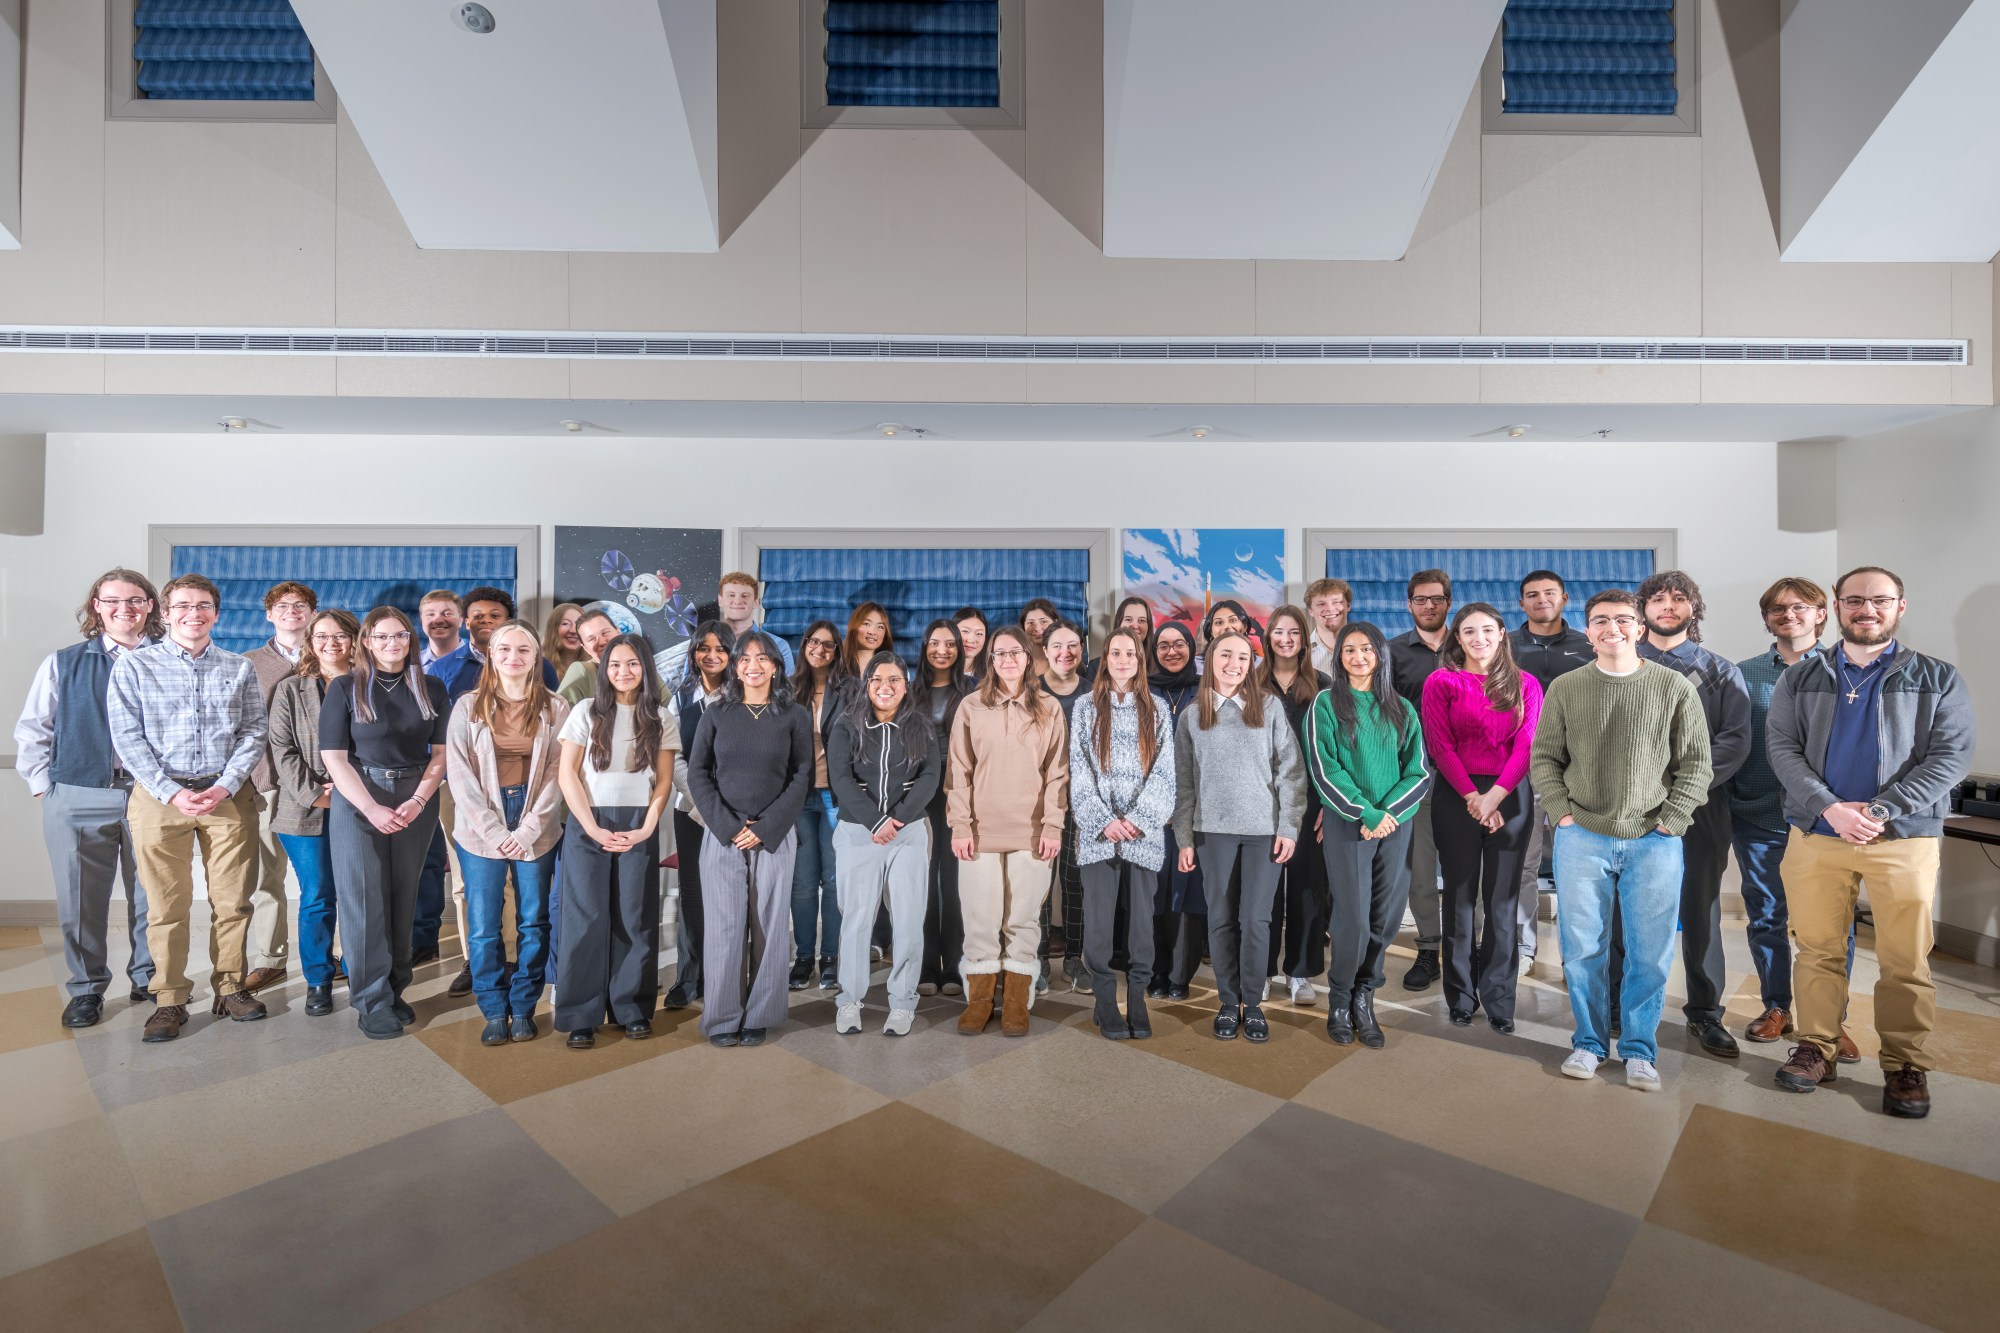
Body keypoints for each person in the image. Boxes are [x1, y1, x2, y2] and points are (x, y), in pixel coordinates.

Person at [1770, 567, 1974, 1119]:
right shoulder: (1802, 676)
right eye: (1855, 600)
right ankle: (1817, 1047)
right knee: (1817, 950)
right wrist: (1830, 807)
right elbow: (1783, 749)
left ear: (1900, 607)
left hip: (1902, 836)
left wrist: (1883, 809)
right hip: (1818, 833)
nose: (1867, 609)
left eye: (1879, 600)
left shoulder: (1937, 677)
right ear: (1836, 607)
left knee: (1906, 958)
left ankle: (1905, 1064)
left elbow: (1951, 756)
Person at [1531, 589, 1711, 1093]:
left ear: (1639, 629)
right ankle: (1588, 1043)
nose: (1613, 628)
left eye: (1623, 620)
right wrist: (1562, 813)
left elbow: (1697, 763)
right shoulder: (1567, 688)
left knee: (1648, 952)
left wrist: (1674, 819)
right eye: (1601, 621)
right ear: (1587, 633)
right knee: (1582, 948)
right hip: (1582, 836)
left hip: (1654, 838)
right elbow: (1544, 758)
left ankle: (1638, 1051)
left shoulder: (1674, 686)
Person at [106, 574, 269, 1042]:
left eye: (203, 606)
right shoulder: (135, 667)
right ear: (165, 611)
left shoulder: (238, 667)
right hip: (159, 799)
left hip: (227, 797)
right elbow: (127, 737)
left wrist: (225, 785)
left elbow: (253, 732)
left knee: (233, 901)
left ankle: (232, 987)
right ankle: (170, 999)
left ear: (216, 613)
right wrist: (170, 791)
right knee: (165, 906)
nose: (192, 614)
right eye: (182, 605)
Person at [15, 569, 160, 1027]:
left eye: (135, 600)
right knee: (80, 901)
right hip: (77, 793)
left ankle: (149, 980)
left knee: (154, 897)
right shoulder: (64, 662)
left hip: (152, 794)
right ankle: (86, 990)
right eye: (112, 600)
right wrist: (45, 787)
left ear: (150, 606)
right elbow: (35, 728)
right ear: (96, 606)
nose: (125, 609)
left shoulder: (169, 660)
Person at [1630, 570, 1752, 1061]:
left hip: (1701, 807)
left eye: (1679, 598)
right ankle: (1623, 1006)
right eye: (1657, 599)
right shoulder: (1622, 663)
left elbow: (1734, 740)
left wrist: (1684, 791)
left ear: (1693, 608)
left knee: (1700, 909)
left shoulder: (1719, 670)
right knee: (1626, 909)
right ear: (1642, 610)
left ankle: (1705, 1012)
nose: (1667, 606)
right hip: (1629, 809)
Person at [1731, 578, 1855, 1057]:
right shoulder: (1742, 674)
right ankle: (1777, 1006)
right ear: (1767, 619)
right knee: (1767, 916)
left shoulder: (1847, 671)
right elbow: (1733, 743)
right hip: (1759, 815)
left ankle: (1828, 1022)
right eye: (1778, 610)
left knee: (1830, 925)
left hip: (1826, 819)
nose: (1790, 616)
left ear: (1822, 614)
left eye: (1801, 608)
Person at [319, 606, 450, 1040]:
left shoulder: (431, 687)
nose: (392, 644)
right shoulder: (344, 688)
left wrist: (416, 800)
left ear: (410, 640)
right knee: (363, 899)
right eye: (382, 637)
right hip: (360, 799)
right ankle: (370, 1000)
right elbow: (335, 759)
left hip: (416, 798)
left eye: (400, 636)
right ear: (367, 643)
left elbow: (440, 755)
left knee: (401, 895)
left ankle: (396, 990)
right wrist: (373, 808)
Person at [1173, 632, 1307, 1044]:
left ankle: (1254, 1004)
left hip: (1263, 832)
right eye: (1225, 655)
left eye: (1243, 657)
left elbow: (1291, 772)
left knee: (1256, 919)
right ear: (1210, 659)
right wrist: (1184, 838)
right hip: (1212, 832)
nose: (1234, 663)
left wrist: (1288, 827)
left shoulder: (1268, 707)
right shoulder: (1193, 715)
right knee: (1220, 919)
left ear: (1252, 663)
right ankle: (1228, 1002)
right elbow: (1185, 784)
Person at [685, 630, 814, 1048]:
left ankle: (760, 1014)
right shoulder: (716, 713)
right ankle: (723, 1017)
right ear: (735, 666)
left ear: (776, 666)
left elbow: (802, 776)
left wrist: (765, 827)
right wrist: (728, 826)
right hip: (723, 834)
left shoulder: (794, 715)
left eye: (762, 659)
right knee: (723, 928)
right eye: (744, 659)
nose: (753, 666)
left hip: (774, 834)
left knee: (770, 927)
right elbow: (698, 774)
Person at [1421, 604, 1543, 1034]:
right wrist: (1474, 797)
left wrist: (1495, 797)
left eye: (1486, 630)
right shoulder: (1442, 682)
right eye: (1468, 631)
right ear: (1457, 638)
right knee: (1458, 898)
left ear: (1501, 633)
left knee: (1502, 901)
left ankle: (1498, 998)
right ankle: (1459, 996)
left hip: (1509, 795)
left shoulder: (1525, 684)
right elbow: (1440, 744)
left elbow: (1526, 746)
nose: (1478, 638)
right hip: (1458, 796)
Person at [1307, 622, 1430, 1048]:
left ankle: (1366, 997)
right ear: (1338, 657)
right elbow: (1324, 768)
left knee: (1386, 916)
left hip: (1394, 825)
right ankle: (1339, 1000)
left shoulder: (1401, 708)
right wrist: (1366, 811)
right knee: (1353, 917)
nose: (1358, 657)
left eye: (1367, 649)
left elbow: (1417, 772)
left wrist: (1387, 814)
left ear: (1380, 654)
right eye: (1349, 650)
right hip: (1348, 822)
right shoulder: (1326, 703)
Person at [446, 621, 568, 1046]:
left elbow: (559, 774)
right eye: (504, 649)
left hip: (538, 820)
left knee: (534, 921)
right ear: (491, 655)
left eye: (523, 650)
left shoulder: (556, 707)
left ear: (536, 657)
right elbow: (459, 775)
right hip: (481, 825)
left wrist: (531, 827)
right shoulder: (467, 706)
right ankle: (494, 1008)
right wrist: (496, 832)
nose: (513, 657)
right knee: (483, 925)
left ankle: (523, 1005)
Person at [554, 633, 676, 1048]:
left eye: (633, 664)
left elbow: (663, 782)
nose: (623, 672)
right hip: (588, 822)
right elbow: (567, 774)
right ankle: (580, 1014)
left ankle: (632, 1009)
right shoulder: (586, 712)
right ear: (604, 669)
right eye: (615, 664)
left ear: (646, 669)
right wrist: (590, 826)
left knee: (635, 917)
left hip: (638, 824)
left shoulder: (661, 717)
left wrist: (646, 828)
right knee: (585, 917)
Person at [946, 625, 1068, 1037]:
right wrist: (960, 824)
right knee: (981, 918)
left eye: (1017, 652)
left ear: (1030, 659)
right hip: (979, 832)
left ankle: (1017, 1002)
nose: (1009, 659)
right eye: (1001, 653)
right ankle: (980, 1001)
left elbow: (1057, 774)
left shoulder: (1050, 708)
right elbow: (958, 772)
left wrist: (1052, 825)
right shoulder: (970, 707)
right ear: (990, 660)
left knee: (1023, 919)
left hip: (1032, 832)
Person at [827, 651, 942, 1036]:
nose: (885, 687)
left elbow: (930, 776)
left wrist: (899, 818)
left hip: (907, 831)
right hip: (859, 830)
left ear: (905, 685)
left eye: (894, 680)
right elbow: (840, 779)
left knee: (909, 919)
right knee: (857, 919)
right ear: (866, 684)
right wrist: (875, 820)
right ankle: (850, 1000)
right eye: (877, 680)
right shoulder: (846, 726)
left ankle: (903, 1001)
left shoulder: (921, 726)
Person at [1069, 628, 1176, 1040]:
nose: (1123, 659)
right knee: (1098, 928)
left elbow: (1166, 773)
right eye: (1115, 652)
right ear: (1105, 659)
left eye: (1130, 652)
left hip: (1142, 835)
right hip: (1099, 834)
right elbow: (1079, 769)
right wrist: (1102, 820)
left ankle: (1136, 1000)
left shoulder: (1158, 709)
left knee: (1140, 929)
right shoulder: (1083, 708)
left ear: (1139, 659)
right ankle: (1103, 1001)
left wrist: (1139, 819)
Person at [267, 609, 358, 1018]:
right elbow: (281, 750)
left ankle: (362, 972)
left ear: (355, 640)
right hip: (303, 811)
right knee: (318, 896)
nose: (330, 643)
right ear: (310, 641)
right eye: (321, 636)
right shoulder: (290, 690)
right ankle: (318, 981)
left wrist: (352, 794)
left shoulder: (371, 686)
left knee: (360, 895)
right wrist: (315, 795)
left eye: (340, 635)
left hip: (360, 806)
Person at [1509, 570, 1592, 973]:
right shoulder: (1504, 645)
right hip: (1520, 770)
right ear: (1521, 603)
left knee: (1574, 866)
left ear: (1565, 598)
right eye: (1532, 595)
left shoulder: (1588, 644)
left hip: (1576, 771)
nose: (1541, 600)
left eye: (1549, 593)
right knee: (1521, 864)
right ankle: (1523, 949)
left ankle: (1573, 955)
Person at [241, 581, 316, 996]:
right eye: (282, 606)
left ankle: (327, 957)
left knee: (322, 881)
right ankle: (271, 959)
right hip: (267, 786)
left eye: (300, 605)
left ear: (312, 612)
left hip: (322, 790)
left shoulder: (330, 655)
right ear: (268, 614)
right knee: (267, 877)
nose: (292, 611)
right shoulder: (246, 663)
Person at [1258, 605, 1331, 1006]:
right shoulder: (1252, 683)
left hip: (1311, 804)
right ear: (1268, 638)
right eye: (1278, 632)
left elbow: (1333, 748)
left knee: (1307, 890)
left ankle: (1301, 972)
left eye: (1294, 633)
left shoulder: (1322, 685)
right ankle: (1264, 969)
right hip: (1261, 805)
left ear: (1305, 639)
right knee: (1264, 892)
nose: (1286, 640)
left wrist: (1327, 805)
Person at [663, 621, 734, 1009]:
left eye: (720, 648)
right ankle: (688, 977)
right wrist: (703, 807)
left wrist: (724, 812)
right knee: (692, 894)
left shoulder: (741, 697)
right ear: (693, 654)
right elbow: (673, 758)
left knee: (727, 895)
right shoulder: (679, 698)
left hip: (734, 813)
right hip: (690, 810)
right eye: (703, 648)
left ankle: (723, 973)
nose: (712, 656)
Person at [1389, 569, 1451, 991]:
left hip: (1472, 779)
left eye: (1437, 599)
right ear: (1409, 604)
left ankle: (1469, 949)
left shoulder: (1470, 645)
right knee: (1421, 872)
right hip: (1418, 777)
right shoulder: (1391, 652)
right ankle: (1428, 949)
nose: (1429, 606)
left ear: (1449, 601)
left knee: (1472, 873)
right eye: (1420, 600)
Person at [1147, 621, 1206, 1000]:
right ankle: (1156, 971)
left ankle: (1181, 975)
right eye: (1164, 645)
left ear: (1191, 648)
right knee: (1152, 893)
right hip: (1150, 811)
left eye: (1180, 644)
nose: (1172, 651)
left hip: (1195, 808)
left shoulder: (1205, 692)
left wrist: (1186, 804)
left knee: (1188, 892)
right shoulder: (1143, 692)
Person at [910, 619, 969, 996]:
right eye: (935, 643)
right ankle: (927, 964)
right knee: (921, 881)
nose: (942, 650)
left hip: (959, 793)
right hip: (918, 794)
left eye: (950, 644)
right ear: (925, 647)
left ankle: (956, 964)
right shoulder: (909, 690)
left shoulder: (971, 691)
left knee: (954, 882)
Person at [788, 619, 844, 990]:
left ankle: (831, 956)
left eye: (827, 644)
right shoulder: (788, 689)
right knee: (803, 883)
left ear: (837, 651)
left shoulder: (850, 690)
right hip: (797, 797)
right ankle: (804, 957)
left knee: (836, 881)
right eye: (813, 642)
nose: (819, 649)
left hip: (836, 796)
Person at [1039, 621, 1090, 993]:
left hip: (1081, 802)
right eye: (1057, 646)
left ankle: (1075, 958)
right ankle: (1038, 959)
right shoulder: (1031, 693)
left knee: (1074, 882)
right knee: (1039, 883)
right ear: (1044, 651)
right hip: (1037, 802)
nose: (1065, 653)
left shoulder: (1093, 693)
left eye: (1073, 645)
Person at [658, 572, 795, 689]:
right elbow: (689, 687)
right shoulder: (701, 644)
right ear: (720, 600)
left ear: (756, 602)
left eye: (745, 596)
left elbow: (787, 693)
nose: (737, 601)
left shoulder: (778, 646)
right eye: (731, 595)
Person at [556, 606, 624, 705]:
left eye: (605, 633)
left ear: (618, 632)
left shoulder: (642, 667)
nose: (601, 642)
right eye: (591, 639)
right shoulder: (583, 671)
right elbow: (558, 713)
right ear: (585, 648)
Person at [1305, 577, 1353, 679]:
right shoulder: (1299, 654)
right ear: (1311, 611)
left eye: (1336, 602)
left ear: (1348, 606)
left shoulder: (1370, 651)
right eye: (1321, 604)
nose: (1330, 609)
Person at [418, 589, 465, 668]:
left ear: (461, 620)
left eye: (447, 614)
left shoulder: (482, 661)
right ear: (421, 621)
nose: (438, 620)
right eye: (430, 614)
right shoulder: (409, 665)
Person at [543, 602, 586, 684]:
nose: (573, 630)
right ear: (553, 629)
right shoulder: (539, 667)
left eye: (578, 624)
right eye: (565, 624)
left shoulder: (597, 667)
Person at [953, 606, 991, 682]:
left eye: (979, 634)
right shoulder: (937, 671)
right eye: (965, 631)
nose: (972, 640)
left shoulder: (991, 674)